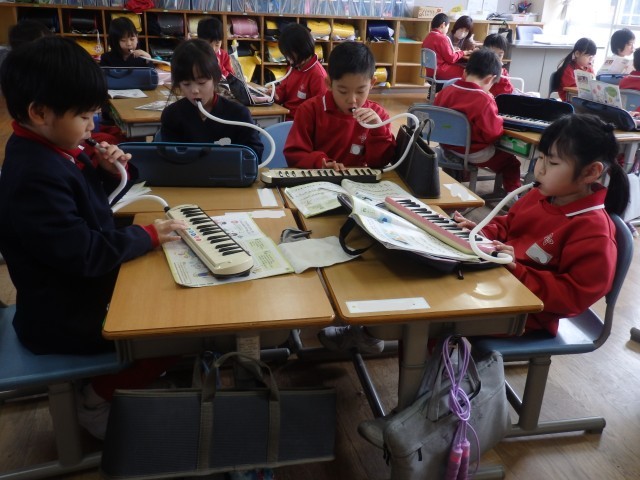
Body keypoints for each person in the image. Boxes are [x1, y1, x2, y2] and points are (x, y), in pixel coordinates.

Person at [0, 37, 186, 438]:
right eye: (84, 116)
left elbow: (81, 209)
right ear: (39, 112)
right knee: (178, 332)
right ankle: (96, 400)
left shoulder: (49, 149)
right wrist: (146, 236)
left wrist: (105, 171)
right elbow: (83, 252)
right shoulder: (34, 175)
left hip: (73, 295)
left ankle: (126, 381)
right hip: (64, 316)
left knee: (170, 296)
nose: (92, 126)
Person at [454, 114, 629, 336]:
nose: (540, 170)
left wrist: (518, 270)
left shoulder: (594, 231)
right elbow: (508, 225)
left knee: (440, 312)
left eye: (553, 163)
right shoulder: (539, 195)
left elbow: (574, 296)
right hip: (499, 283)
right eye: (540, 158)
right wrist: (480, 234)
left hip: (526, 315)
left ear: (590, 172)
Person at [283, 41, 396, 170]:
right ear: (329, 83)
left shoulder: (379, 116)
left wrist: (378, 129)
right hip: (319, 180)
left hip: (357, 181)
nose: (352, 100)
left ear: (372, 84)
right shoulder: (310, 110)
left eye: (360, 91)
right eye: (343, 91)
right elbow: (294, 154)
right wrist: (320, 162)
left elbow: (381, 163)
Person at [434, 48, 522, 193]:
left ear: (464, 72)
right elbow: (492, 134)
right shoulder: (484, 100)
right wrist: (499, 118)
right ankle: (513, 195)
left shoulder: (445, 92)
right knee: (511, 163)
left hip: (447, 146)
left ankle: (460, 176)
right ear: (489, 79)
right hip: (473, 152)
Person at [160, 39, 264, 160]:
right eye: (186, 84)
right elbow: (169, 159)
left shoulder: (239, 115)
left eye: (201, 82)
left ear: (216, 78)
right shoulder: (172, 115)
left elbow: (254, 155)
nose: (194, 90)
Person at [269, 22, 327, 120]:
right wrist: (273, 94)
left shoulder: (318, 76)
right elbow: (283, 91)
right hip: (284, 117)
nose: (288, 59)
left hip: (299, 123)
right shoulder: (293, 67)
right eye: (286, 55)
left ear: (302, 49)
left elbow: (321, 111)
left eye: (290, 55)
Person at [422, 12, 473, 81]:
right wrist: (463, 52)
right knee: (467, 71)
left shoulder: (428, 37)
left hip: (430, 72)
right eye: (447, 27)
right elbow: (452, 58)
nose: (447, 30)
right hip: (440, 71)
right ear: (443, 25)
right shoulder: (443, 38)